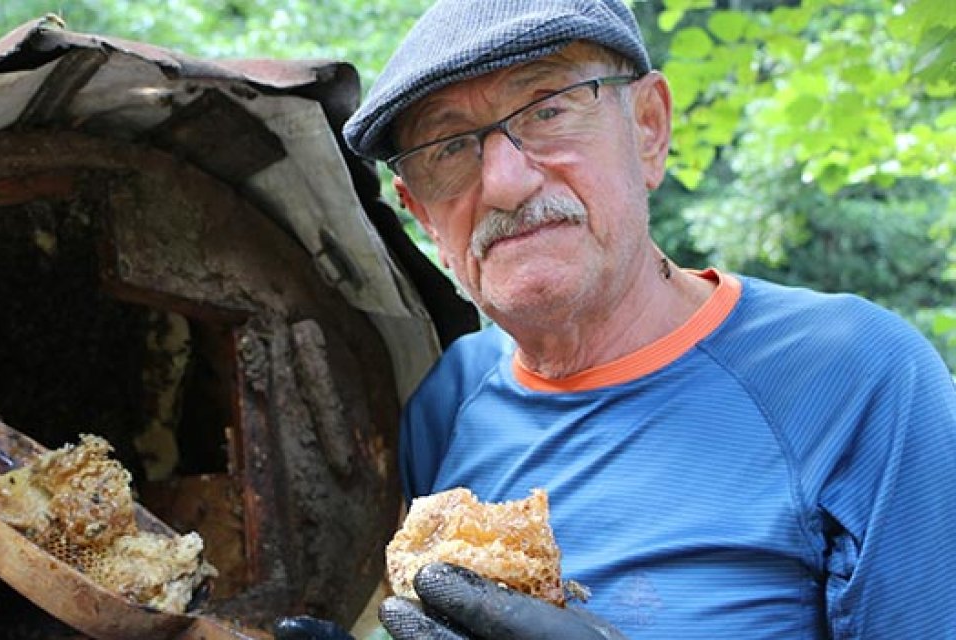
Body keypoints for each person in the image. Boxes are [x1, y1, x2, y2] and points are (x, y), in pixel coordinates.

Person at [280, 0, 956, 638]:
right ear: (420, 212)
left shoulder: (855, 378)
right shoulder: (445, 403)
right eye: (447, 148)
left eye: (547, 109)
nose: (506, 182)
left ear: (648, 128)